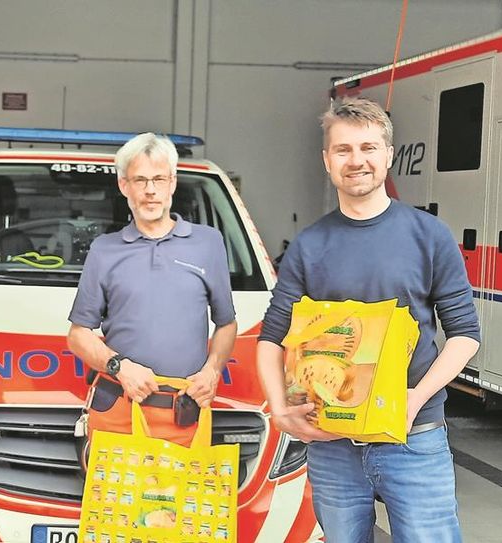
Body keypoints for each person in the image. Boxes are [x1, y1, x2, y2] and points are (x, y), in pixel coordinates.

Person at [257, 96, 480, 542]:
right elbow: (271, 337)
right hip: (332, 442)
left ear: (388, 155)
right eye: (343, 150)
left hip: (414, 436)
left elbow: (465, 335)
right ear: (327, 160)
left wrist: (415, 398)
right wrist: (280, 409)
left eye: (368, 148)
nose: (356, 160)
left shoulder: (429, 236)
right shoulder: (309, 246)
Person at [67, 132, 237, 447]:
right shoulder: (104, 250)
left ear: (172, 182)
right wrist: (120, 367)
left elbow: (226, 323)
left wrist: (212, 371)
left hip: (184, 414)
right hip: (118, 411)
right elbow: (78, 336)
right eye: (140, 180)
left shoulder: (208, 243)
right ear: (124, 186)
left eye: (158, 179)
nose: (150, 190)